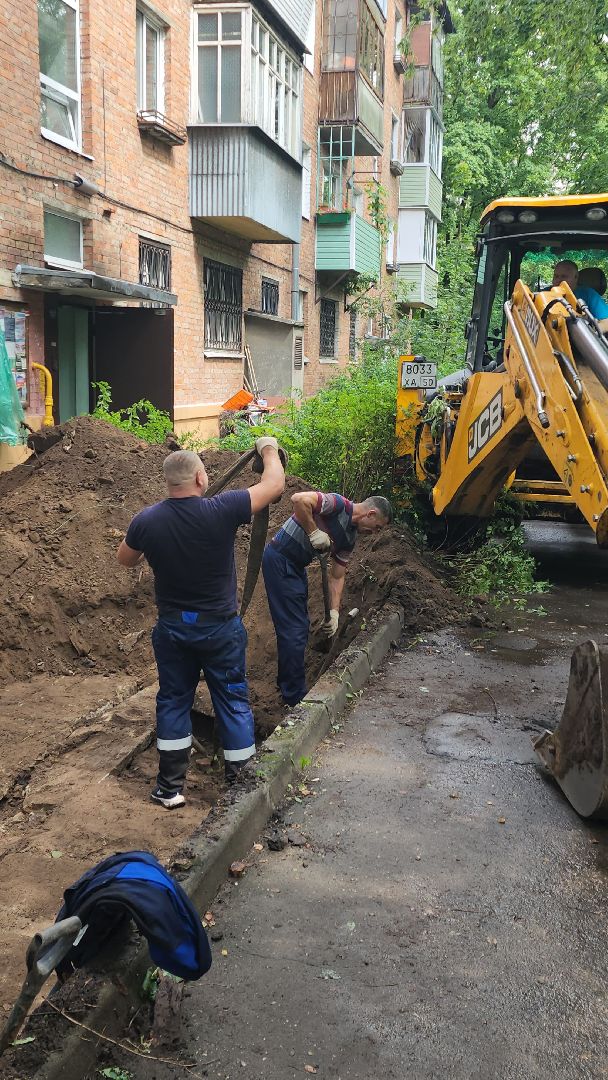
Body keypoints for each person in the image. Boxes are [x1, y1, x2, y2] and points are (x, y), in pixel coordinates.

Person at [117, 441, 285, 808]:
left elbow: (126, 559)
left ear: (168, 483)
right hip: (219, 630)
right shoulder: (221, 509)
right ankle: (240, 792)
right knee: (232, 701)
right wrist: (269, 449)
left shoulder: (147, 520)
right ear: (199, 477)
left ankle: (169, 788)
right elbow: (273, 487)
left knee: (173, 701)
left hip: (174, 630)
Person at [262, 491, 393, 707]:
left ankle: (288, 685)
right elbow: (298, 500)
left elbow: (337, 576)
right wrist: (314, 532)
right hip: (279, 559)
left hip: (296, 567)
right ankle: (293, 697)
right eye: (377, 527)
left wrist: (334, 612)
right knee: (294, 631)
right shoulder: (337, 504)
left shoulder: (350, 538)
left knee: (299, 628)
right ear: (370, 513)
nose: (374, 533)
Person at [552, 259, 608, 330]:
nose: (558, 280)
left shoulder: (588, 294)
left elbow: (606, 322)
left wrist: (591, 333)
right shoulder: (545, 295)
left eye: (564, 276)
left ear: (576, 277)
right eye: (556, 276)